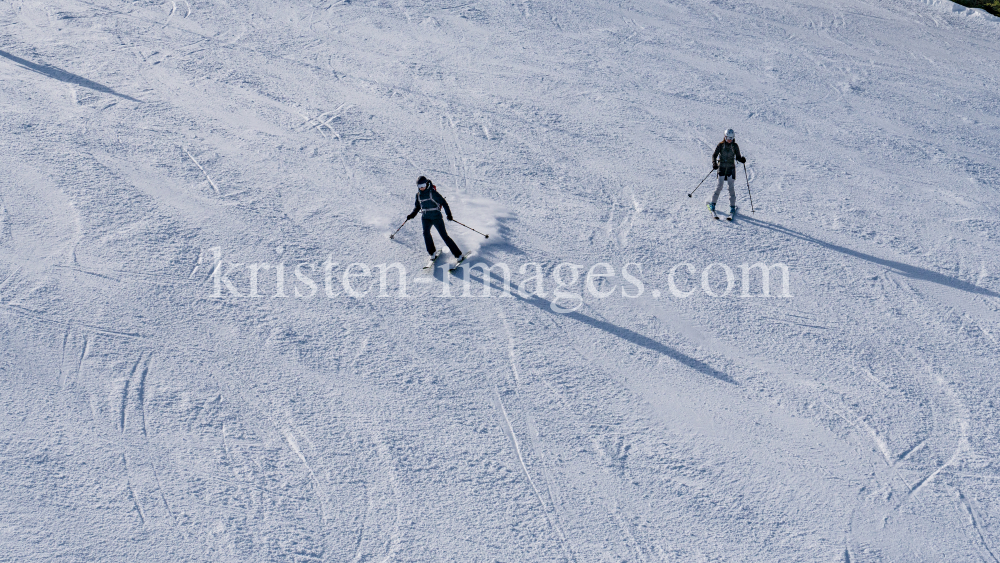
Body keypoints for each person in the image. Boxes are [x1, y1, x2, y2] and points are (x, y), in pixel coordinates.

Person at [406, 176, 463, 260]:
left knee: (444, 236)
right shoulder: (418, 195)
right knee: (426, 233)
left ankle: (458, 255)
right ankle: (432, 252)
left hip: (436, 218)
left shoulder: (432, 193)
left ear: (426, 184)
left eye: (423, 185)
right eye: (419, 186)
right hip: (426, 218)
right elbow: (417, 207)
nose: (421, 188)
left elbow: (443, 202)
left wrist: (449, 214)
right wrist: (412, 215)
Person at [709, 129, 746, 216]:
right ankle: (712, 204)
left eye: (731, 138)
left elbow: (738, 157)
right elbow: (714, 155)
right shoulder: (721, 145)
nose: (730, 140)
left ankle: (732, 207)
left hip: (731, 169)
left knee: (731, 188)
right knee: (719, 186)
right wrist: (714, 164)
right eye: (728, 138)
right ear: (725, 137)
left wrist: (742, 160)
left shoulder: (735, 146)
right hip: (721, 168)